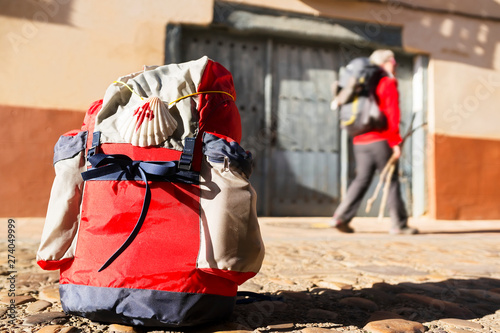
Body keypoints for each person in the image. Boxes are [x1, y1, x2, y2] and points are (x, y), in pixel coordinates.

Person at [331, 49, 418, 235]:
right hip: (380, 140)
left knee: (361, 179)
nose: (396, 66)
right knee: (391, 181)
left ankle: (341, 217)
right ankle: (399, 224)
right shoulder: (386, 82)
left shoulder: (362, 84)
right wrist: (395, 142)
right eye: (394, 62)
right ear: (387, 63)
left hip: (359, 140)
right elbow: (392, 113)